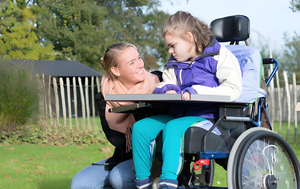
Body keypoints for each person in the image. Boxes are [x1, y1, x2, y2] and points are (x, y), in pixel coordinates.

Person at [132, 11, 243, 189]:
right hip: (178, 114)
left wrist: (196, 91)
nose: (170, 51)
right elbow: (167, 82)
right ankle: (142, 184)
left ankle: (167, 183)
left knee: (173, 127)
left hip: (209, 118)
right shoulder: (175, 61)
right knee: (141, 128)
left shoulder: (219, 56)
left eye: (173, 45)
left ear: (189, 37)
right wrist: (167, 89)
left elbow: (233, 89)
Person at [71, 42, 160, 189]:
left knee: (119, 178)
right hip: (124, 157)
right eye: (132, 62)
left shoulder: (159, 85)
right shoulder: (104, 96)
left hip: (155, 157)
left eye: (139, 58)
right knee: (80, 184)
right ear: (115, 70)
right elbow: (117, 140)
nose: (140, 64)